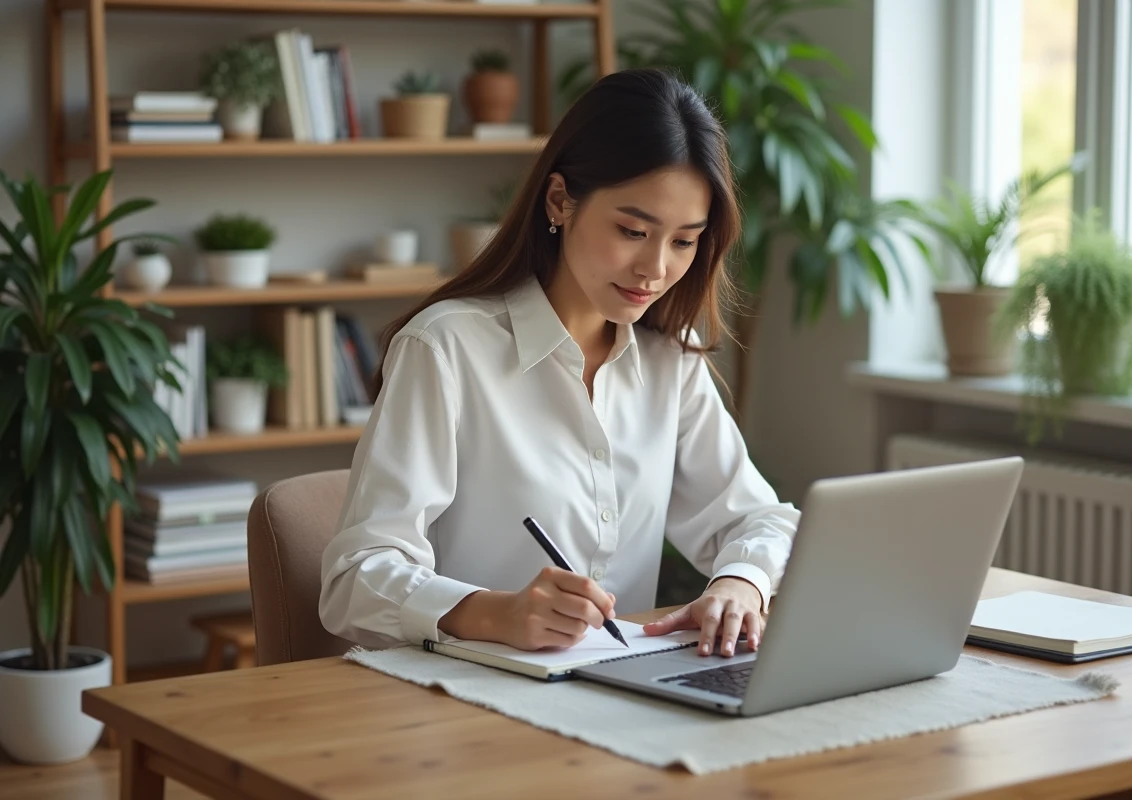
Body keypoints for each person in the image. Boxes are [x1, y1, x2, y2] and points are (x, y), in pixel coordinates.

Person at [318, 67, 799, 661]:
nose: (655, 268)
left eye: (683, 241)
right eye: (632, 229)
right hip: (459, 700)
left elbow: (762, 520)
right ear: (559, 200)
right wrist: (494, 612)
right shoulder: (446, 348)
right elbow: (354, 580)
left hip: (615, 695)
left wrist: (739, 583)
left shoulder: (669, 361)